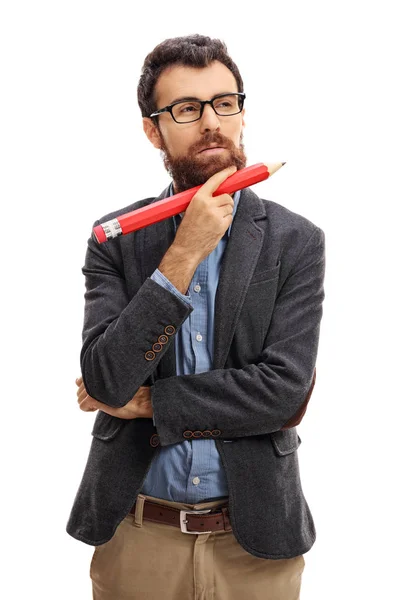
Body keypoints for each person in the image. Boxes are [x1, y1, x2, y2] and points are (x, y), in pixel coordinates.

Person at [67, 34, 325, 600]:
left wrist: (151, 404)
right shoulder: (114, 240)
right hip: (137, 537)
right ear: (152, 129)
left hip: (256, 544)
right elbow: (107, 378)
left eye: (224, 103)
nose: (211, 121)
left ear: (241, 112)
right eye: (186, 109)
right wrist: (184, 252)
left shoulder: (296, 241)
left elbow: (283, 393)